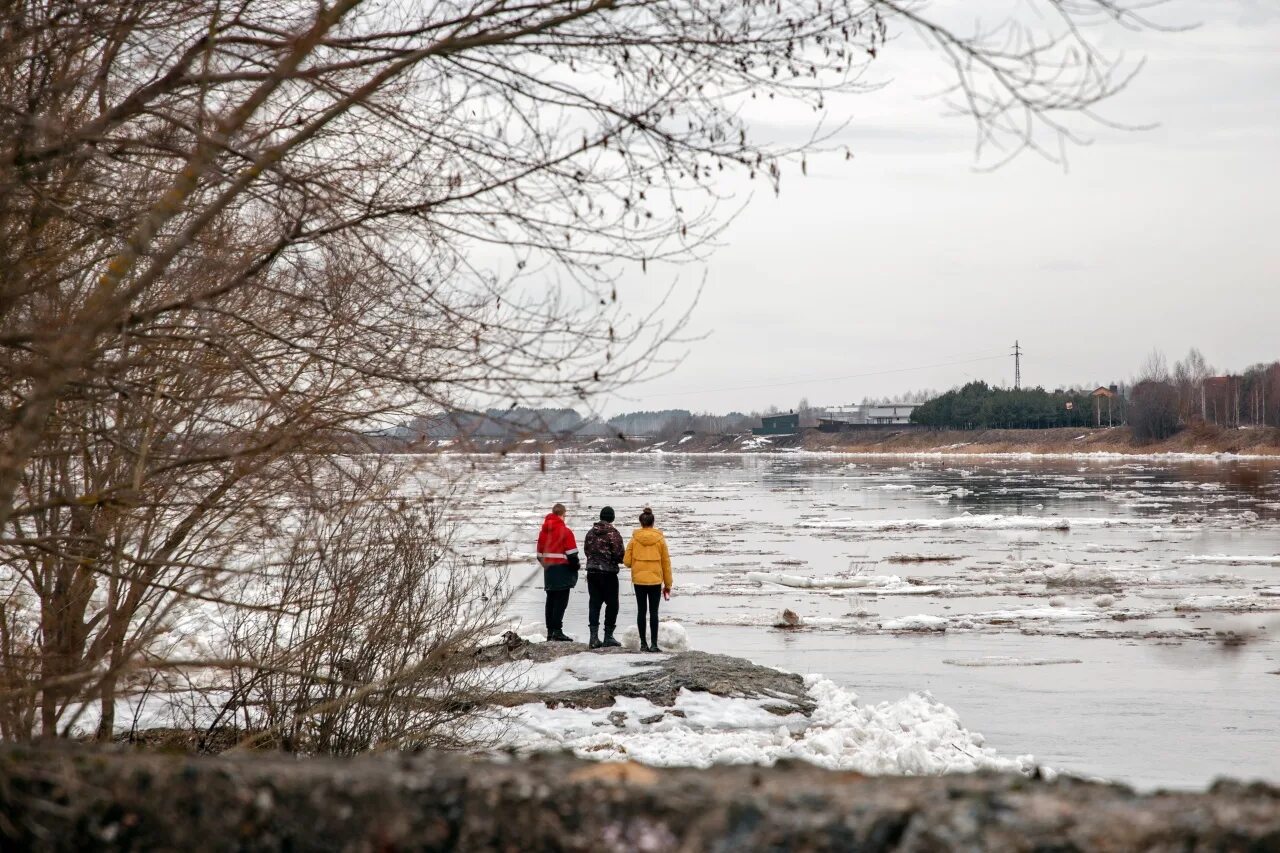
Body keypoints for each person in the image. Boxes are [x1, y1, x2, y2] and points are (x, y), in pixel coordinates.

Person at [623, 506, 672, 652]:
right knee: (654, 612)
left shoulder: (634, 540)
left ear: (641, 523)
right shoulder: (660, 540)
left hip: (639, 581)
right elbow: (666, 563)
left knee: (641, 611)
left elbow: (627, 562)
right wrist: (668, 584)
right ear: (652, 522)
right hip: (655, 581)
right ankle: (654, 644)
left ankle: (643, 643)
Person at [583, 506, 625, 649]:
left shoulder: (590, 533)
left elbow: (586, 551)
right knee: (612, 604)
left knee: (594, 604)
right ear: (612, 518)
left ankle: (593, 638)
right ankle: (608, 636)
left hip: (592, 573)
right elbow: (620, 555)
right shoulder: (613, 534)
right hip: (608, 574)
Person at [536, 503, 580, 642]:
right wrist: (575, 567)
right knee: (561, 602)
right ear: (562, 515)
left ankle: (550, 632)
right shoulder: (565, 531)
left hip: (549, 570)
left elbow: (539, 554)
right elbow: (572, 554)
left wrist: (546, 565)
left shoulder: (543, 532)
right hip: (562, 570)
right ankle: (557, 631)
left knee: (550, 601)